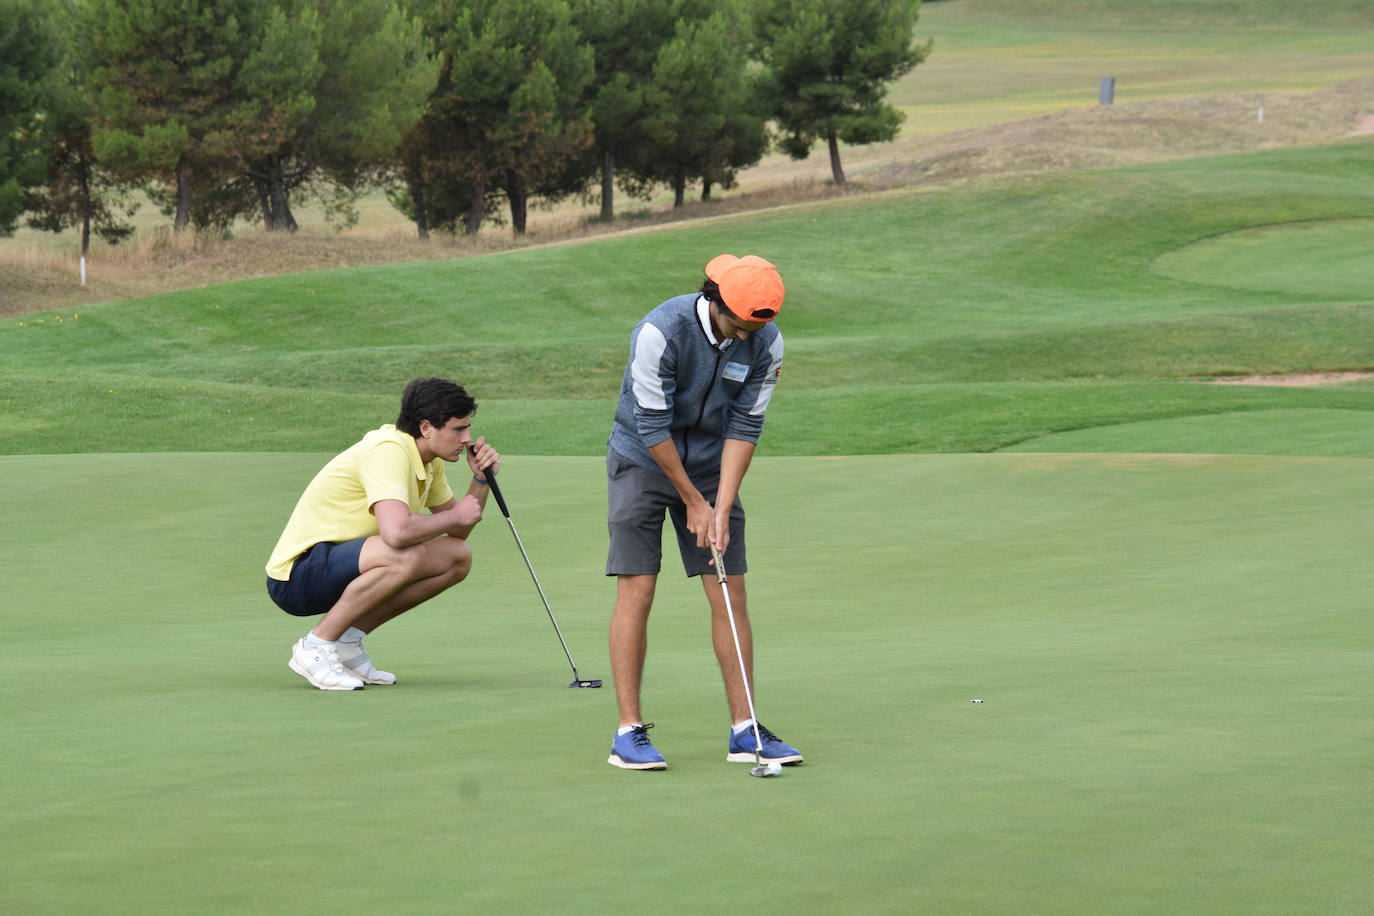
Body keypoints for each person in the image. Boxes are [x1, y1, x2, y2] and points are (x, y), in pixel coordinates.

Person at [605, 254, 804, 770]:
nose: (744, 337)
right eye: (738, 325)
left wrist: (718, 504)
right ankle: (628, 732)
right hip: (642, 459)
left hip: (714, 463)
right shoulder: (660, 332)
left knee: (729, 590)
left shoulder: (766, 341)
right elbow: (651, 427)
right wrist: (693, 501)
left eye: (754, 328)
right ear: (715, 300)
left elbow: (746, 423)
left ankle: (745, 728)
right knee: (638, 586)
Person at [265, 377, 500, 690]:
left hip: (347, 567)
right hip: (297, 576)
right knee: (407, 552)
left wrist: (480, 481)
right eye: (458, 429)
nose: (467, 439)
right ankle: (316, 646)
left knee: (456, 558)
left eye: (467, 428)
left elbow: (457, 532)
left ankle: (347, 642)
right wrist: (457, 514)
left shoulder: (429, 462)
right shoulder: (388, 451)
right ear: (427, 427)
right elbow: (398, 533)